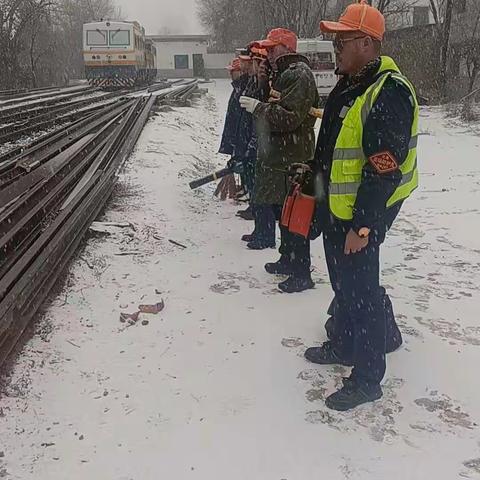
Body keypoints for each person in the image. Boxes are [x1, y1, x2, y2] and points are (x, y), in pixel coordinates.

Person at [302, 0, 419, 411]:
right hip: (337, 211)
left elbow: (384, 168)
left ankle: (368, 378)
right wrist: (315, 197)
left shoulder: (388, 91)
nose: (335, 45)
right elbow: (330, 151)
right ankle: (345, 345)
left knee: (363, 295)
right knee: (345, 289)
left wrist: (363, 226)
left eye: (343, 39)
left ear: (367, 44)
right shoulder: (349, 83)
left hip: (360, 218)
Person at [238, 29, 319, 257]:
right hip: (282, 158)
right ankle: (287, 258)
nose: (269, 53)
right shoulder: (283, 74)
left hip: (293, 160)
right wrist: (263, 85)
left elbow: (289, 117)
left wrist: (258, 107)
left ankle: (298, 269)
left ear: (287, 48)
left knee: (295, 217)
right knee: (284, 214)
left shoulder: (298, 74)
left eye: (273, 48)